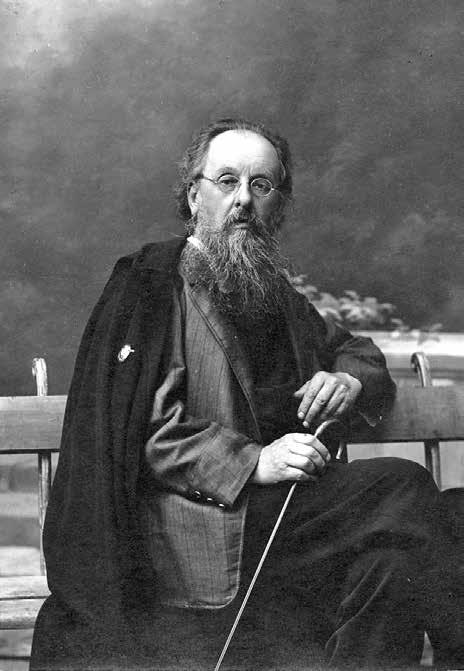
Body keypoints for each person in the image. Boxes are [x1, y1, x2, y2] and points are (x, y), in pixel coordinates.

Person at [31, 118, 463, 670]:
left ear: (276, 205)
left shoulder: (269, 290)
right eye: (227, 180)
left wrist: (347, 380)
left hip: (287, 523)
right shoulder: (153, 284)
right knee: (404, 486)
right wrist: (256, 461)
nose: (242, 200)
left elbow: (355, 349)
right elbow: (152, 433)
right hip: (205, 527)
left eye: (260, 185)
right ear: (194, 196)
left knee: (395, 560)